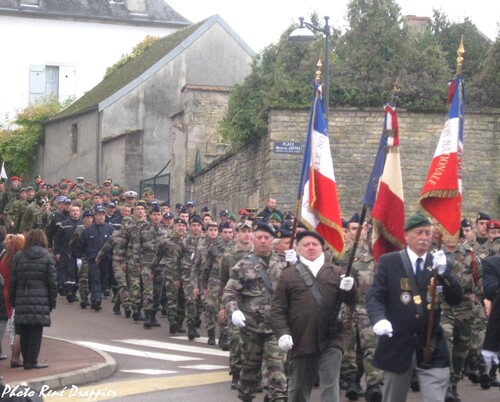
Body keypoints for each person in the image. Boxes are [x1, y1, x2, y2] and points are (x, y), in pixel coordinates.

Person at [367, 212, 463, 402]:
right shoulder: (390, 262)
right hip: (398, 342)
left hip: (431, 343)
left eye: (428, 233)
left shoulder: (437, 263)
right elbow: (375, 296)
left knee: (436, 397)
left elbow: (456, 298)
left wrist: (446, 274)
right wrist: (379, 319)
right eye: (419, 233)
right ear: (406, 236)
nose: (424, 238)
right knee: (393, 397)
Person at [271, 230, 356, 402]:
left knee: (330, 386)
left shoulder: (337, 272)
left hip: (332, 338)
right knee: (298, 389)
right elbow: (278, 308)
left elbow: (351, 301)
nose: (311, 247)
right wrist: (282, 333)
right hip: (301, 338)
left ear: (322, 247)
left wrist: (351, 288)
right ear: (298, 249)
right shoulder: (288, 275)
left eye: (315, 244)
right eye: (306, 244)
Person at [223, 222, 287, 402]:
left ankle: (277, 397)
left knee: (276, 369)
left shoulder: (283, 265)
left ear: (272, 241)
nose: (263, 241)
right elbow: (230, 293)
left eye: (267, 238)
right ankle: (245, 396)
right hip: (251, 328)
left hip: (275, 328)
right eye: (259, 237)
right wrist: (233, 311)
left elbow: (295, 293)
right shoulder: (242, 265)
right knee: (250, 370)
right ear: (253, 239)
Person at [9, 229, 57, 370]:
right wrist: (52, 301)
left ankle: (26, 360)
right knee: (36, 330)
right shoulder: (47, 257)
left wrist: (13, 300)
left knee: (23, 329)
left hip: (22, 296)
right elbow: (52, 282)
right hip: (41, 297)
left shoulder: (19, 256)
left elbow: (13, 280)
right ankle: (32, 360)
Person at [0, 234, 26, 368]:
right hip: (19, 294)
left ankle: (13, 350)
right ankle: (16, 355)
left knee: (11, 321)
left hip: (6, 292)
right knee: (17, 326)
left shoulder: (4, 260)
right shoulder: (20, 260)